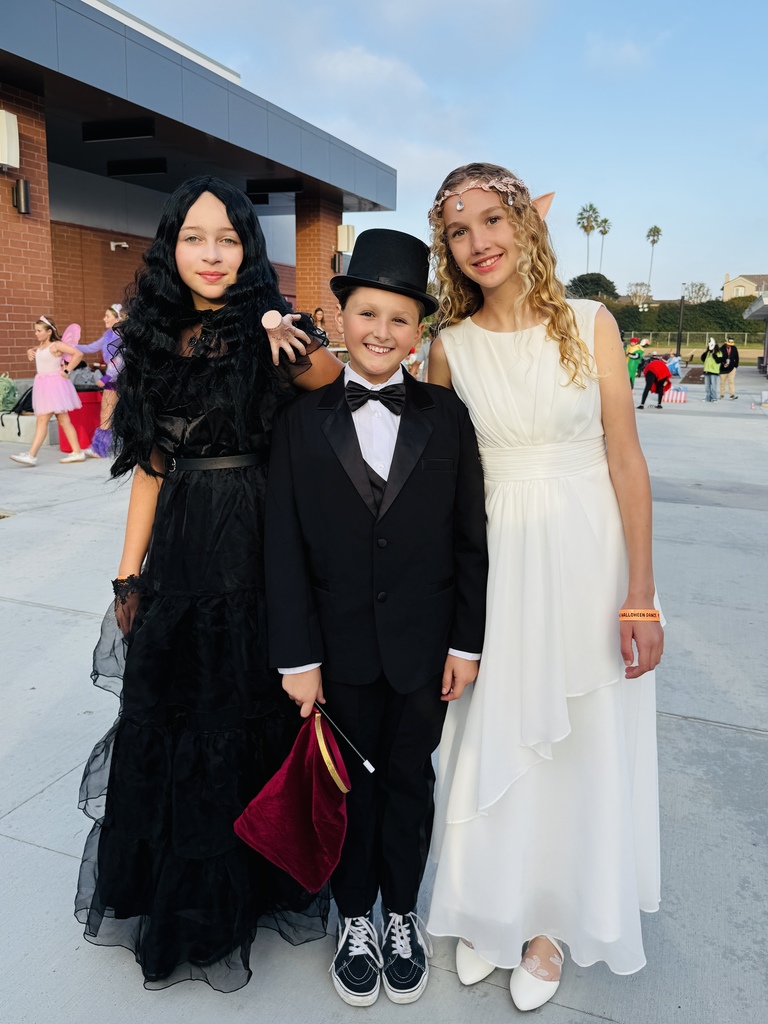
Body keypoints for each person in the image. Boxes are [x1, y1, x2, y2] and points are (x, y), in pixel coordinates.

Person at [75, 175, 343, 992]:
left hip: (261, 545)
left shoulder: (271, 331)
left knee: (253, 714)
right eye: (196, 237)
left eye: (227, 238)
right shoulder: (150, 339)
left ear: (247, 250)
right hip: (186, 550)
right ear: (172, 247)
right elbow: (152, 469)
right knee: (180, 720)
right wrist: (130, 575)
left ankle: (258, 886)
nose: (212, 253)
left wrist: (280, 327)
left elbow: (331, 380)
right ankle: (187, 905)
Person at [424, 163, 663, 1011]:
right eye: (461, 230)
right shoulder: (448, 347)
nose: (480, 241)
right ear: (446, 247)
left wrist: (639, 593)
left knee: (575, 746)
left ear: (526, 225)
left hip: (589, 561)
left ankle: (549, 924)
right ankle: (488, 908)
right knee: (488, 736)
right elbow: (436, 477)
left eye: (494, 220)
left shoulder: (594, 323)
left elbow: (628, 463)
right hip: (495, 565)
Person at [264, 229, 488, 1007]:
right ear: (342, 315)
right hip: (337, 648)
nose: (382, 332)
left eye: (399, 318)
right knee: (347, 785)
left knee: (408, 781)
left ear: (418, 329)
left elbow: (469, 539)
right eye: (367, 314)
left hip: (426, 650)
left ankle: (402, 914)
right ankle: (353, 914)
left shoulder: (449, 418)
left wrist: (467, 642)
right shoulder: (301, 423)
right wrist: (298, 658)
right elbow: (284, 548)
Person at [9, 316, 86, 466]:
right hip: (43, 385)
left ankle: (31, 455)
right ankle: (77, 452)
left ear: (49, 332)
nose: (36, 334)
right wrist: (29, 350)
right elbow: (37, 351)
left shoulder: (56, 345)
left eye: (39, 331)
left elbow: (78, 354)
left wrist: (68, 370)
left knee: (42, 419)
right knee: (63, 420)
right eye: (35, 331)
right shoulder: (41, 347)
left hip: (54, 386)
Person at [76, 303, 125, 457]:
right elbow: (91, 347)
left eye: (107, 316)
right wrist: (70, 346)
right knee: (113, 413)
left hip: (117, 380)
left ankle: (100, 448)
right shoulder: (108, 335)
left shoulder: (120, 337)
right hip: (115, 379)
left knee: (107, 412)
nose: (104, 319)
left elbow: (120, 360)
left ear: (118, 319)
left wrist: (106, 377)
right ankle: (106, 447)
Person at [700, 338, 722, 402]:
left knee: (713, 386)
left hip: (714, 371)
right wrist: (707, 352)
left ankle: (714, 398)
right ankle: (708, 397)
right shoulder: (708, 353)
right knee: (707, 386)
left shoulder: (719, 353)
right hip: (707, 371)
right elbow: (703, 358)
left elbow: (718, 361)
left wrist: (714, 354)